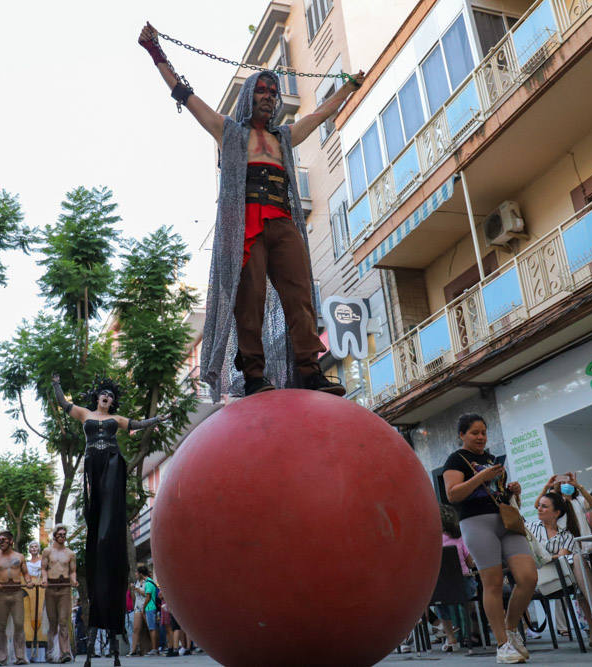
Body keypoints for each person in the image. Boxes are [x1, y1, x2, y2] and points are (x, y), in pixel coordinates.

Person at [138, 23, 363, 398]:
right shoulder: (228, 131)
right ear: (248, 96)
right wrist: (155, 51)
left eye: (273, 93)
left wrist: (348, 88)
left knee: (300, 297)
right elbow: (185, 95)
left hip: (283, 223)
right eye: (262, 91)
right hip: (247, 226)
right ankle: (255, 374)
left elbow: (320, 114)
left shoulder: (284, 137)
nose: (269, 97)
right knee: (250, 301)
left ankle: (310, 371)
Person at [51, 375, 167, 667]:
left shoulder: (116, 419)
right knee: (97, 507)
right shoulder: (85, 415)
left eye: (110, 395)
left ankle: (109, 528)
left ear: (113, 401)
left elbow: (137, 424)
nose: (107, 397)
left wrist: (158, 418)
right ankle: (101, 531)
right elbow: (63, 403)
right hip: (94, 462)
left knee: (111, 498)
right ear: (97, 398)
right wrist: (56, 383)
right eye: (103, 394)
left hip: (112, 462)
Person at [442, 413, 535, 664]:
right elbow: (452, 495)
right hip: (476, 522)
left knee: (528, 577)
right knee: (492, 583)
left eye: (483, 432)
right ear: (462, 434)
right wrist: (481, 477)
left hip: (505, 519)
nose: (481, 437)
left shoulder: (492, 459)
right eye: (475, 433)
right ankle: (503, 644)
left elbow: (499, 493)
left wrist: (514, 490)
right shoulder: (456, 459)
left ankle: (511, 628)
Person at [528, 491, 592, 649]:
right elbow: (535, 556)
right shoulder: (530, 528)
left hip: (562, 578)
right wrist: (550, 557)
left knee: (578, 566)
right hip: (539, 577)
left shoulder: (566, 535)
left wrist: (548, 557)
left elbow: (562, 558)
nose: (539, 508)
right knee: (579, 570)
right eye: (539, 505)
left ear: (556, 513)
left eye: (544, 506)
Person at [0, 530, 34, 666]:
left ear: (11, 541)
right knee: (0, 627)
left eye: (3, 540)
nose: (0, 542)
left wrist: (28, 581)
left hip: (17, 593)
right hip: (2, 594)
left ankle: (20, 657)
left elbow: (26, 573)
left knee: (19, 625)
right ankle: (0, 658)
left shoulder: (19, 557)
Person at [436, 505, 477, 652]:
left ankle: (451, 638)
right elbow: (470, 563)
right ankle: (471, 634)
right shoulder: (460, 538)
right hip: (463, 587)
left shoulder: (432, 541)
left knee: (440, 603)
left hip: (440, 590)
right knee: (469, 602)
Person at [41, 525, 77, 665]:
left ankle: (64, 652)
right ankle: (51, 653)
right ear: (55, 535)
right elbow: (44, 568)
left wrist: (74, 580)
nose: (62, 537)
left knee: (63, 621)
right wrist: (44, 579)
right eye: (60, 534)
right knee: (53, 621)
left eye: (64, 534)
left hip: (64, 589)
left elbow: (72, 571)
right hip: (51, 588)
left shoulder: (70, 553)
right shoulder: (47, 551)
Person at [22, 542, 44, 663]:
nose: (34, 548)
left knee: (41, 617)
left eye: (36, 546)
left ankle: (41, 652)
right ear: (29, 550)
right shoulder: (26, 564)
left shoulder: (43, 562)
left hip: (42, 591)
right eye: (32, 547)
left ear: (38, 549)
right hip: (29, 591)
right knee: (28, 619)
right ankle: (29, 651)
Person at [134, 568, 159, 658]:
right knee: (152, 628)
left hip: (150, 607)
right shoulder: (151, 581)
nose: (136, 574)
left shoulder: (148, 583)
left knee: (152, 628)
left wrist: (143, 607)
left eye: (137, 572)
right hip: (151, 607)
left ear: (141, 574)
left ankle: (154, 649)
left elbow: (148, 597)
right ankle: (154, 648)